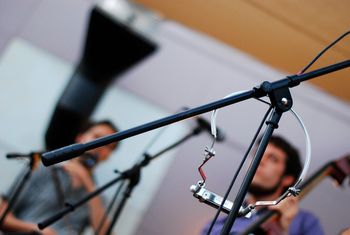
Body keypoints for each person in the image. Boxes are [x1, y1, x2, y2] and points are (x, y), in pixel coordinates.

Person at [0, 120, 119, 235]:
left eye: (108, 146)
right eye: (96, 137)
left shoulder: (97, 197)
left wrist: (88, 184)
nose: (100, 147)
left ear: (109, 156)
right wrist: (36, 230)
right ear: (81, 138)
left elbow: (104, 232)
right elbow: (2, 214)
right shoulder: (44, 167)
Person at [200, 135, 324, 235]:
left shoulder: (306, 223)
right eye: (257, 154)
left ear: (287, 179)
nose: (260, 161)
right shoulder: (215, 225)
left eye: (272, 159)